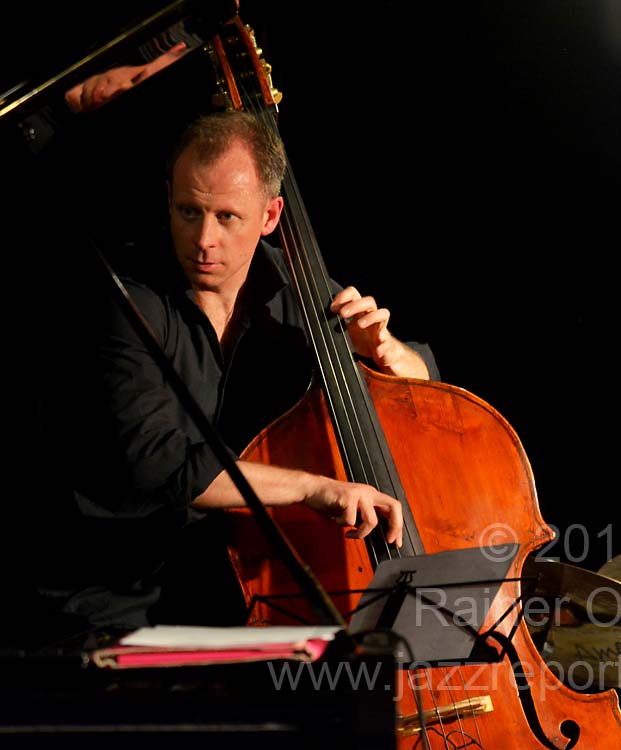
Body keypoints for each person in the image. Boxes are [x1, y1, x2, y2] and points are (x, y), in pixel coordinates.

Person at [30, 110, 436, 645]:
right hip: (106, 599)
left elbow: (424, 384)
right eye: (188, 210)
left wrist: (388, 353)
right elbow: (162, 464)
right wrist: (314, 489)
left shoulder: (301, 290)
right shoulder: (127, 300)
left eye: (227, 217)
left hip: (230, 591)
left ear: (270, 215)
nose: (203, 239)